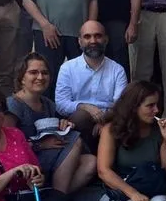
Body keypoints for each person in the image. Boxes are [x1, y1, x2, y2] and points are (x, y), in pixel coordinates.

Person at [6, 53, 97, 201]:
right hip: (25, 164)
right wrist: (39, 145)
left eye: (45, 72)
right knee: (75, 140)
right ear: (21, 77)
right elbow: (7, 145)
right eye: (33, 72)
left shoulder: (47, 103)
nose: (40, 77)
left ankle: (51, 199)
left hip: (47, 163)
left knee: (90, 162)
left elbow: (51, 132)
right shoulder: (14, 104)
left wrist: (61, 123)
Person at [55, 20, 128, 153]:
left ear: (106, 39)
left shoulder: (117, 70)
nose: (93, 40)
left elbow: (120, 105)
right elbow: (61, 104)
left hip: (109, 121)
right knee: (81, 116)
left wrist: (104, 121)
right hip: (78, 124)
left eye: (98, 36)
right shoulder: (67, 68)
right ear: (79, 41)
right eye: (87, 37)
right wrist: (86, 107)